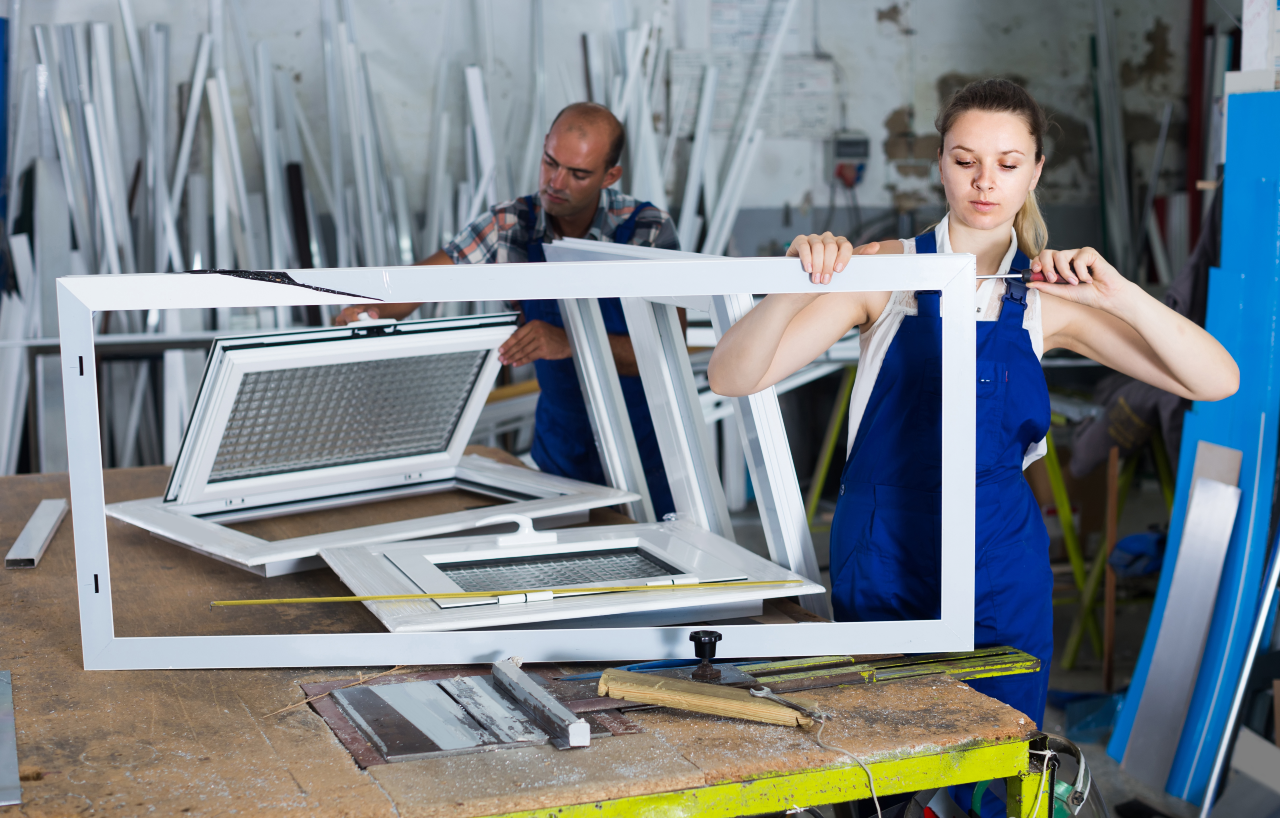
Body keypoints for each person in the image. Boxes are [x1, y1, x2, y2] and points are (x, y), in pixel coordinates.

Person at [707, 79, 1238, 816]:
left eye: (1007, 162)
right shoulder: (886, 271)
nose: (986, 181)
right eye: (966, 160)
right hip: (886, 548)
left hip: (1000, 557)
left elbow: (1217, 379)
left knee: (997, 762)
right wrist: (802, 281)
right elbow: (733, 372)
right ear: (940, 164)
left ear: (1036, 171)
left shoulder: (1048, 298)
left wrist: (1120, 291)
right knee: (880, 771)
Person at [336, 102, 680, 517]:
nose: (556, 182)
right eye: (550, 162)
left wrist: (571, 341)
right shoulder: (509, 226)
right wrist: (366, 311)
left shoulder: (646, 231)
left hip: (647, 447)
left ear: (610, 176)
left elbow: (665, 353)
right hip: (561, 446)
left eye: (578, 173)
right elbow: (416, 287)